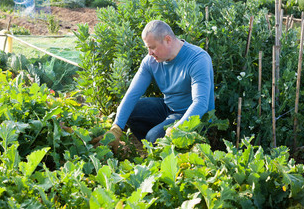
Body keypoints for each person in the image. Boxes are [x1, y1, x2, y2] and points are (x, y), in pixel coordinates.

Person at [91, 20, 215, 152]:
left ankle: (166, 148)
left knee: (153, 137)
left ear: (168, 40)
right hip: (170, 108)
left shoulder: (197, 59)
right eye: (147, 48)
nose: (150, 53)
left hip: (195, 117)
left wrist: (177, 129)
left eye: (153, 47)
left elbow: (200, 103)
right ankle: (156, 149)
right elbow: (132, 94)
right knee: (131, 111)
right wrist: (116, 128)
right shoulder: (151, 61)